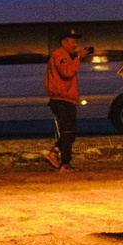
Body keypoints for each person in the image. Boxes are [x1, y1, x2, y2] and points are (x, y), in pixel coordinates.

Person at [41, 26, 85, 169]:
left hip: (66, 100)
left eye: (75, 41)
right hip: (62, 100)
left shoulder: (64, 55)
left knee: (70, 132)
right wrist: (78, 58)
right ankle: (65, 164)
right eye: (72, 41)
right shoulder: (60, 55)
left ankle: (55, 153)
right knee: (68, 131)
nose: (75, 44)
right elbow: (67, 72)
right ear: (64, 42)